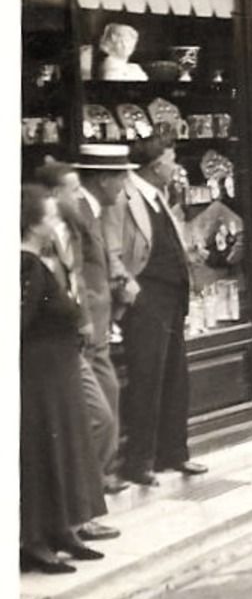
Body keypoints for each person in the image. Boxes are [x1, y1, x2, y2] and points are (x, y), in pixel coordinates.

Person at [105, 129, 205, 485]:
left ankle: (174, 454)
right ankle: (138, 463)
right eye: (170, 159)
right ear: (152, 165)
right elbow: (111, 251)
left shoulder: (159, 194)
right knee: (147, 378)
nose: (175, 165)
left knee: (175, 377)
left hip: (173, 298)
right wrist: (130, 291)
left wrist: (189, 257)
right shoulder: (124, 197)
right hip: (146, 300)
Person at [20, 185, 110, 575]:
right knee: (42, 454)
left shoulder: (41, 259)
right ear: (33, 222)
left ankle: (61, 530)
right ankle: (35, 541)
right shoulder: (23, 265)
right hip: (39, 376)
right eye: (50, 216)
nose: (56, 222)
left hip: (60, 370)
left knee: (65, 451)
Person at [34, 160, 123, 542]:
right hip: (58, 348)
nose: (77, 196)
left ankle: (81, 507)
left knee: (98, 415)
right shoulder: (37, 245)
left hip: (74, 338)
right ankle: (74, 512)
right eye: (71, 190)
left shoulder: (67, 229)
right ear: (53, 197)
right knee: (92, 418)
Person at [71, 145, 142, 498]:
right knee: (96, 410)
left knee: (109, 394)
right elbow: (75, 274)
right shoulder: (81, 211)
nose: (124, 184)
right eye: (120, 176)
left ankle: (101, 474)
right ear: (102, 179)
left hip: (98, 327)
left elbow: (97, 263)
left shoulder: (93, 210)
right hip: (87, 330)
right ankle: (90, 483)